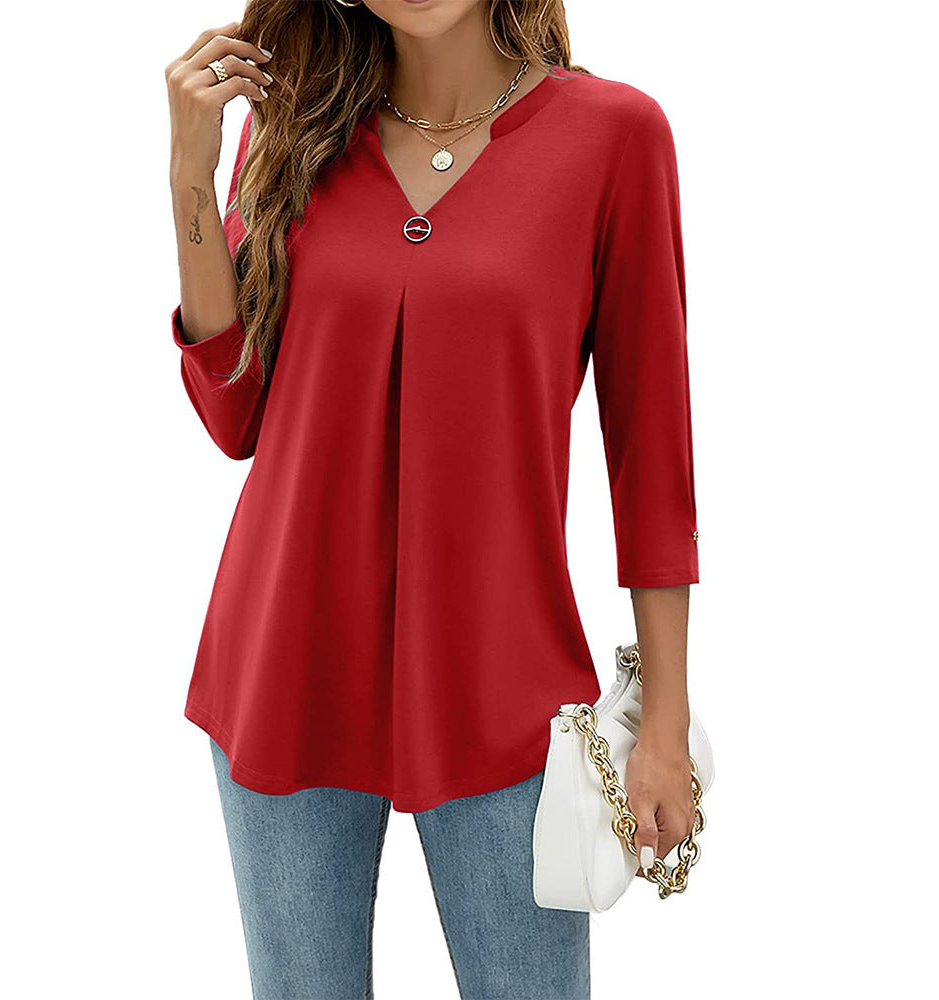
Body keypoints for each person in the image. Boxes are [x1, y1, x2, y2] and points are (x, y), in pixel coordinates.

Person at [165, 2, 700, 998]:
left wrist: (664, 716)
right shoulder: (292, 128)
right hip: (285, 663)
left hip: (502, 685)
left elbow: (653, 460)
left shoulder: (614, 138)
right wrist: (192, 180)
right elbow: (233, 412)